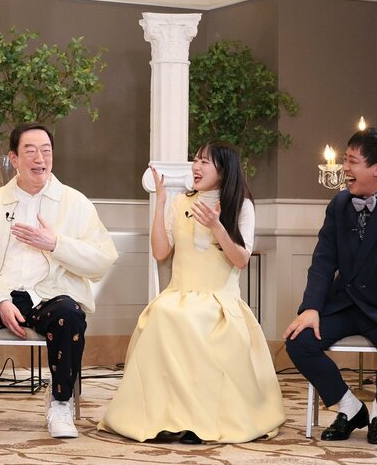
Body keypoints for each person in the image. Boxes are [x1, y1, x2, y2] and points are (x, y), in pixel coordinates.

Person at [0, 122, 118, 439]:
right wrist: (1, 301)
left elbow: (103, 258)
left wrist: (56, 244)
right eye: (30, 151)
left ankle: (60, 403)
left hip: (49, 297)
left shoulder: (75, 203)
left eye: (46, 151)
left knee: (69, 314)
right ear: (14, 159)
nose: (40, 158)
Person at [98, 140, 285, 444]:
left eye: (204, 162)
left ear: (223, 170)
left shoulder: (242, 206)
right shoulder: (180, 203)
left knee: (194, 320)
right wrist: (160, 204)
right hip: (179, 293)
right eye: (195, 160)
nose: (196, 167)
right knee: (162, 313)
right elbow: (161, 252)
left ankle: (198, 423)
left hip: (219, 299)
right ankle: (164, 419)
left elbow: (241, 260)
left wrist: (217, 226)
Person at [283, 127, 377, 445]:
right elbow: (323, 261)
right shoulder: (339, 205)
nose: (344, 168)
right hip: (345, 303)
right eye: (344, 160)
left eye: (352, 161)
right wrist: (311, 308)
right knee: (298, 340)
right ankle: (349, 408)